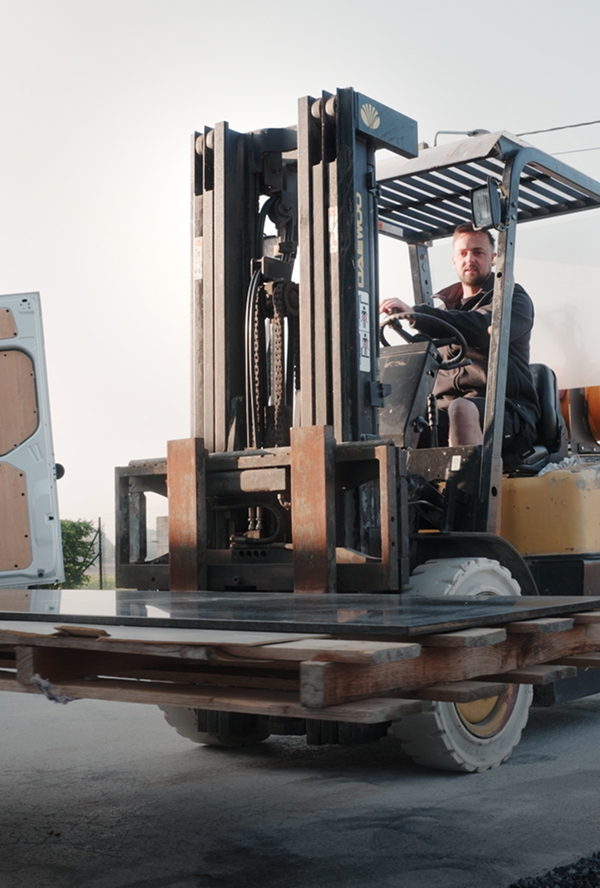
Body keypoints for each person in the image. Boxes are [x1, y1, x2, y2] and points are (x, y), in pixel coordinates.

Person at [379, 223, 539, 458]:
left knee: (462, 409)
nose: (470, 259)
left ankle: (466, 493)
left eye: (478, 252)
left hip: (507, 409)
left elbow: (480, 327)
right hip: (447, 407)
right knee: (397, 419)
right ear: (454, 261)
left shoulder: (512, 298)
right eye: (463, 253)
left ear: (493, 258)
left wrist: (417, 314)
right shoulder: (443, 313)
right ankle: (407, 493)